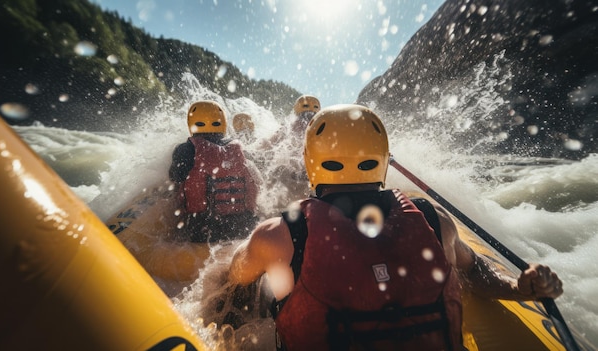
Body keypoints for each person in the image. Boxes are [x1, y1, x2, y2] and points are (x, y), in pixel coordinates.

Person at [227, 104, 563, 350]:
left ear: (310, 161)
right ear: (383, 159)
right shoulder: (435, 221)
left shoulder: (278, 235)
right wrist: (520, 288)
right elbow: (477, 273)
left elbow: (233, 283)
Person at [169, 100, 261, 243]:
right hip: (244, 228)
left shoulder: (185, 150)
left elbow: (175, 177)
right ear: (222, 122)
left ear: (191, 124)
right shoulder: (241, 149)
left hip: (203, 230)